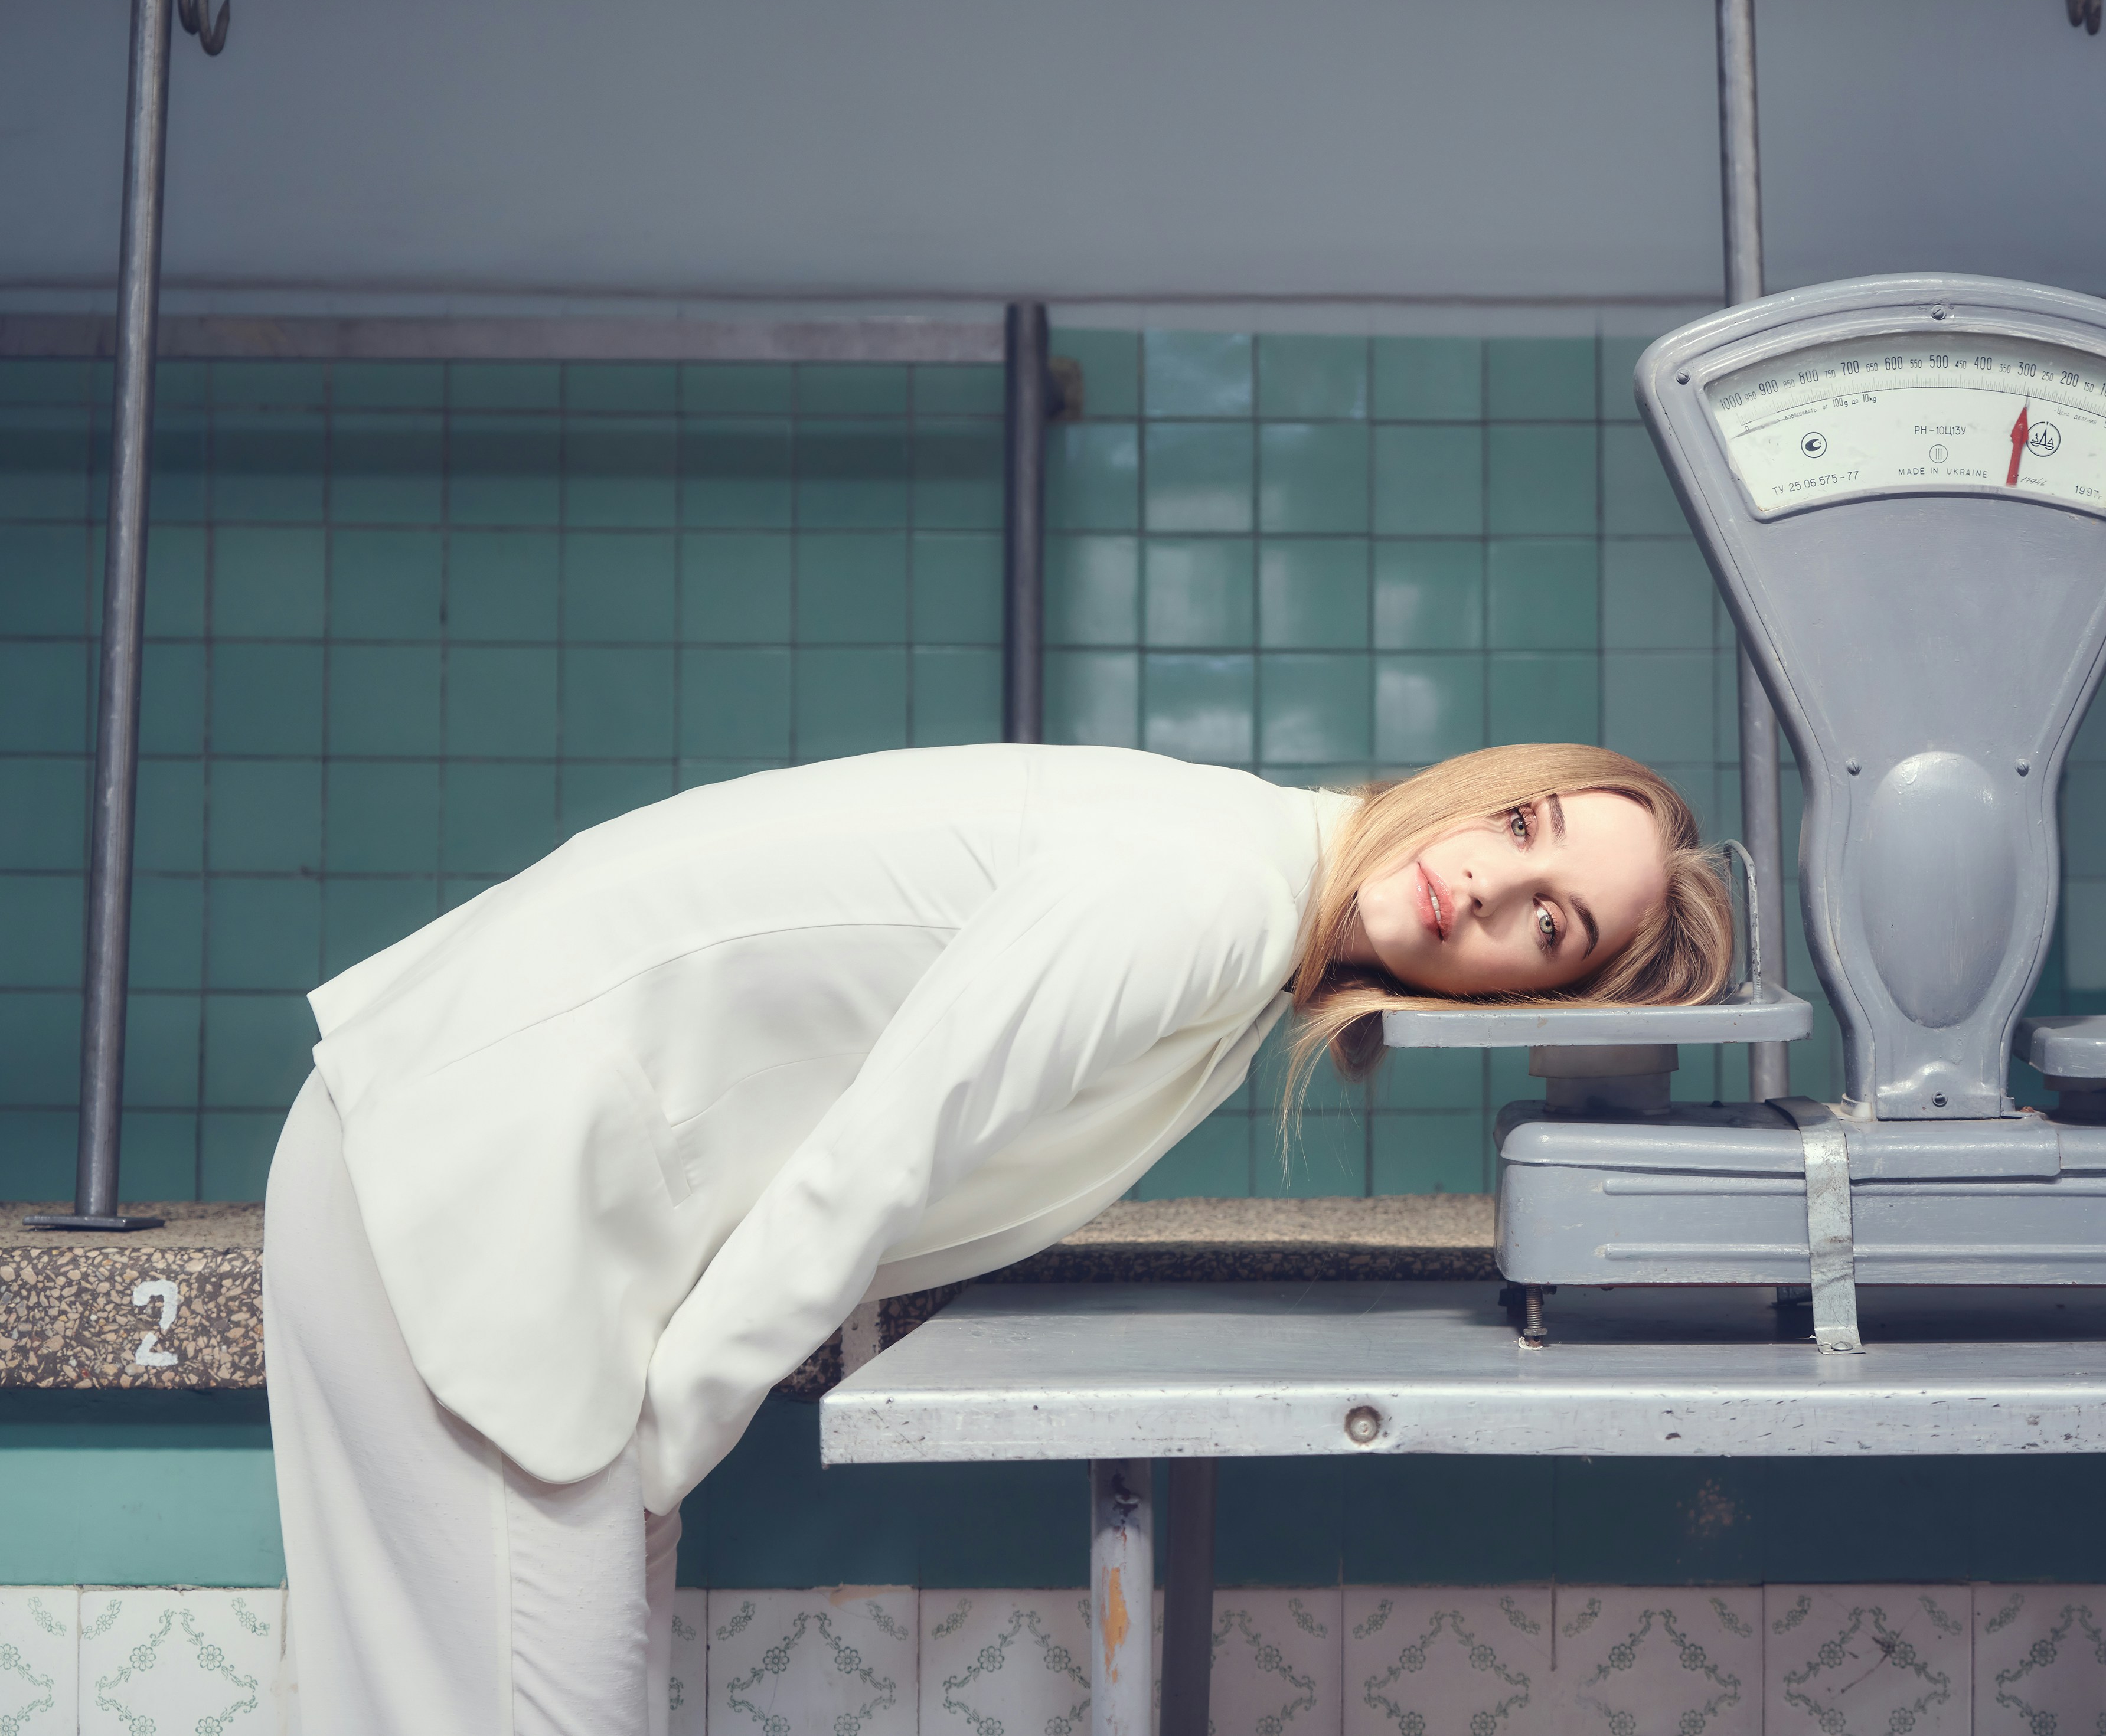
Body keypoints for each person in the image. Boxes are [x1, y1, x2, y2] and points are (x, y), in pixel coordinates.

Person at [261, 739, 1732, 1734]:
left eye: (1551, 928)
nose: (1488, 885)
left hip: (501, 1194)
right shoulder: (1214, 889)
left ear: (1530, 999)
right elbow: (881, 1157)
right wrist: (658, 1458)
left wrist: (654, 1459)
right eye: (1525, 827)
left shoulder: (1255, 889)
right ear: (1486, 784)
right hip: (466, 1186)